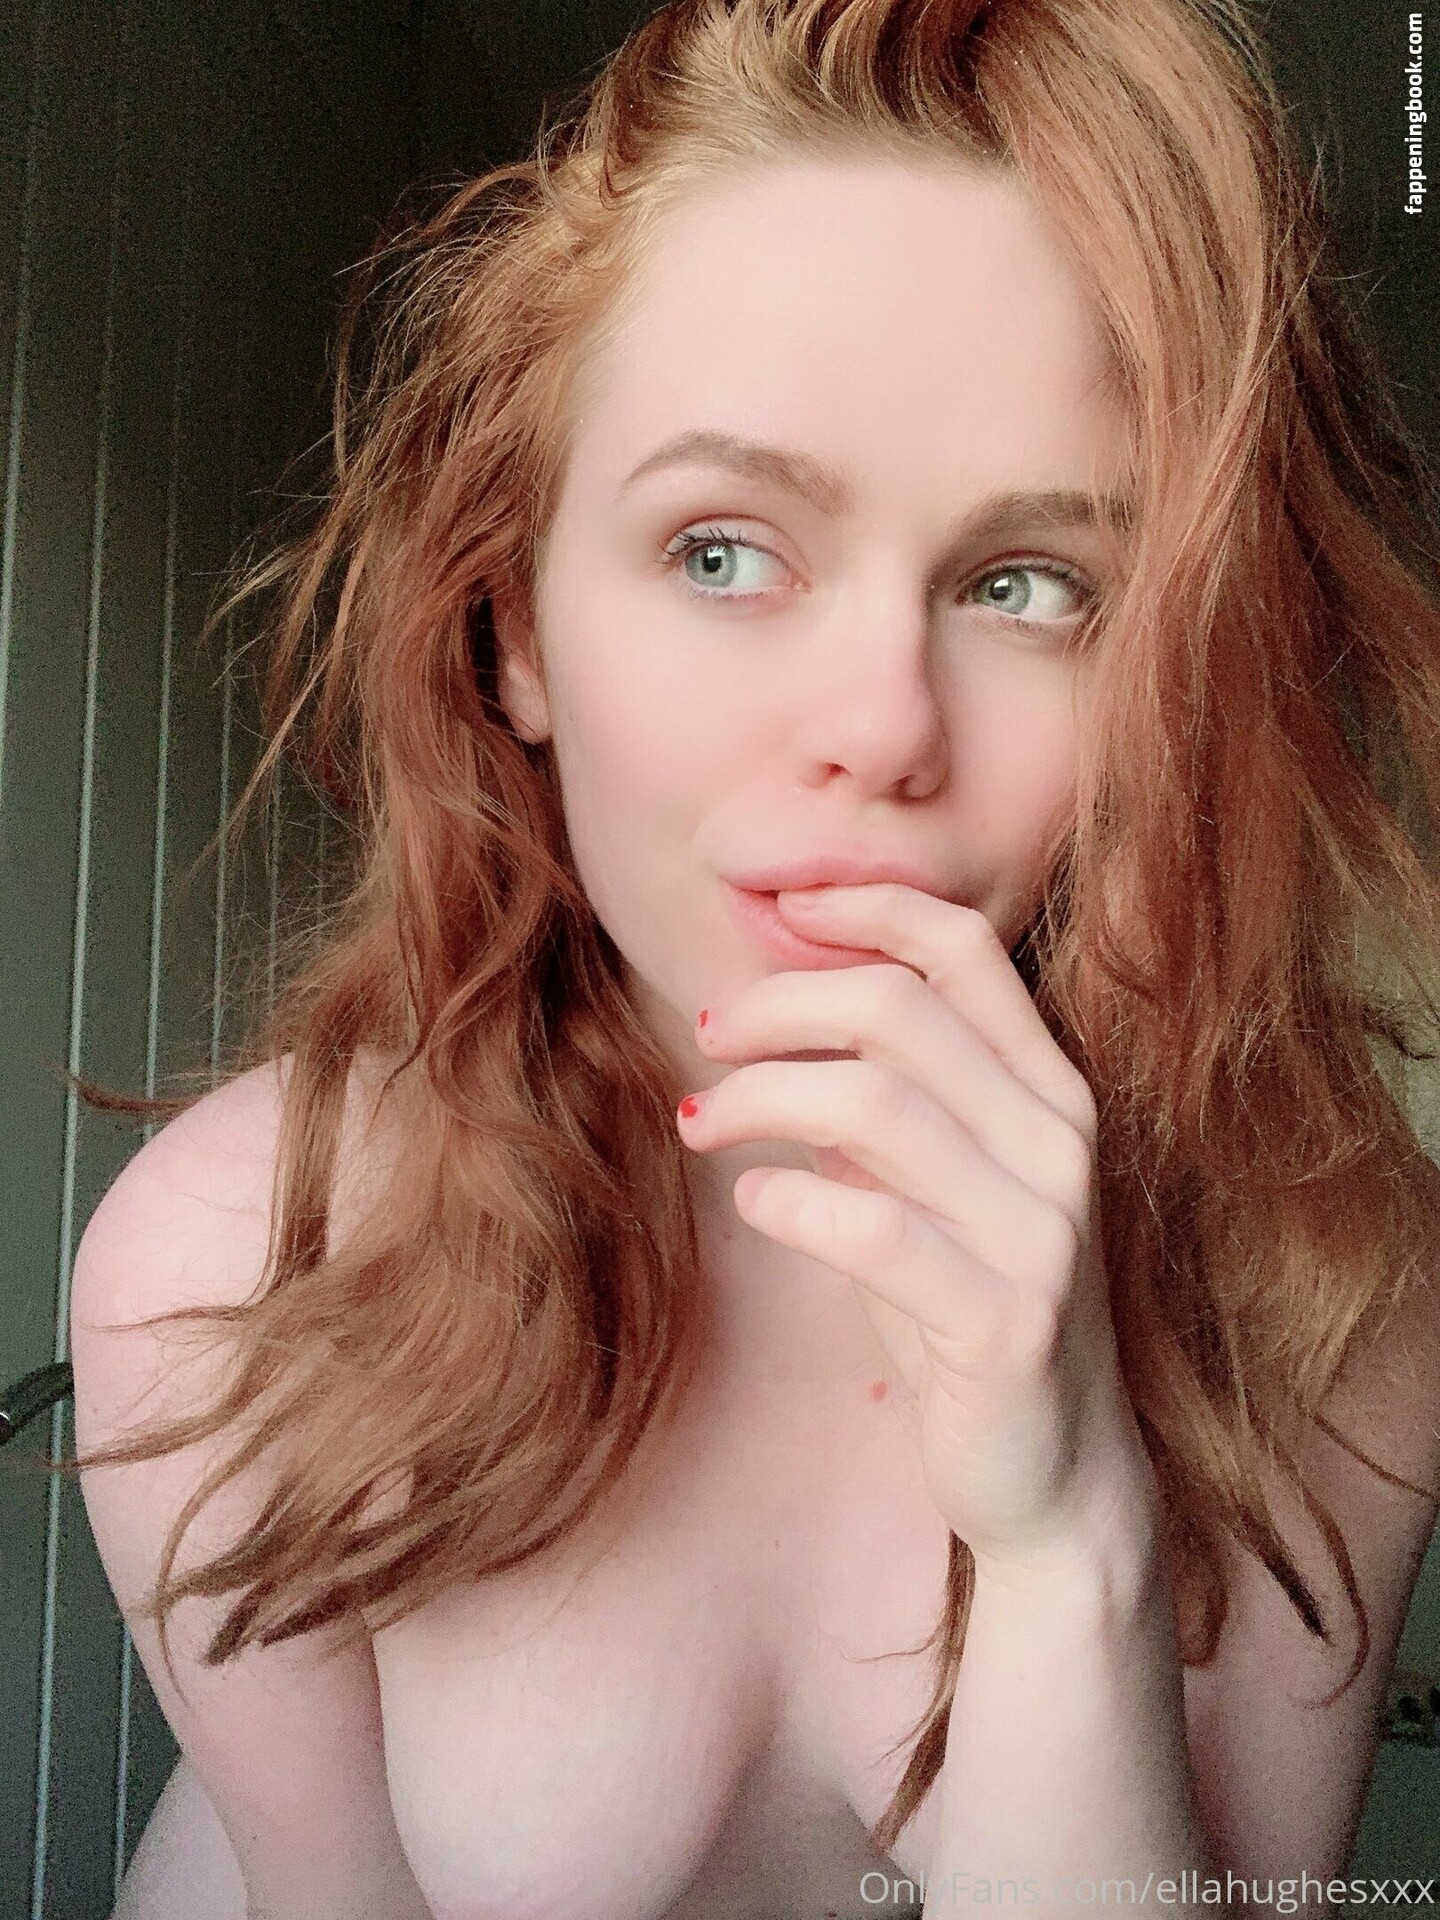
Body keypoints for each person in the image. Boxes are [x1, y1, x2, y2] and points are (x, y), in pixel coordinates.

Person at [65, 0, 1440, 1915]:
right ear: (515, 631)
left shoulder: (1342, 1303)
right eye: (722, 549)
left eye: (1031, 585)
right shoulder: (240, 1264)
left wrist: (1071, 1547)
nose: (881, 725)